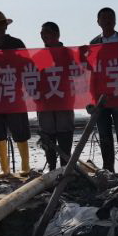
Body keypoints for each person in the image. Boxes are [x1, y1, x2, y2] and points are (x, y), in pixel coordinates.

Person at [0, 10, 31, 176]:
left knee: (20, 130)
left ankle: (25, 166)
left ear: (5, 26)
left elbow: (28, 65)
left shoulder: (17, 43)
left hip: (13, 94)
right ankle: (5, 168)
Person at [89, 7, 118, 174]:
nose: (107, 21)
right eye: (103, 18)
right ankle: (108, 169)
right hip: (101, 98)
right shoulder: (94, 43)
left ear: (115, 20)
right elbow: (92, 70)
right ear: (98, 22)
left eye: (110, 17)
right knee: (104, 134)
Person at [38, 22, 75, 170]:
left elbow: (78, 74)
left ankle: (65, 168)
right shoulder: (39, 55)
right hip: (45, 102)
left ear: (57, 34)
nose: (44, 36)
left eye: (47, 32)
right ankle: (52, 168)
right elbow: (31, 77)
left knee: (65, 132)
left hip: (64, 100)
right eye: (42, 33)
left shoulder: (68, 53)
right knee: (47, 134)